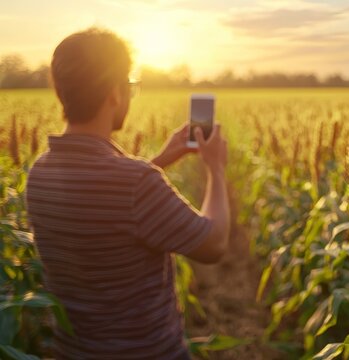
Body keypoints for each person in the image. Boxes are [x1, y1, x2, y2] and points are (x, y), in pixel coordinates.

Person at [25, 27, 230, 359]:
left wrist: (160, 161)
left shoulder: (39, 173)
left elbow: (103, 203)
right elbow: (214, 243)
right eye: (129, 86)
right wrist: (216, 169)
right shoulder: (136, 183)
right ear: (114, 93)